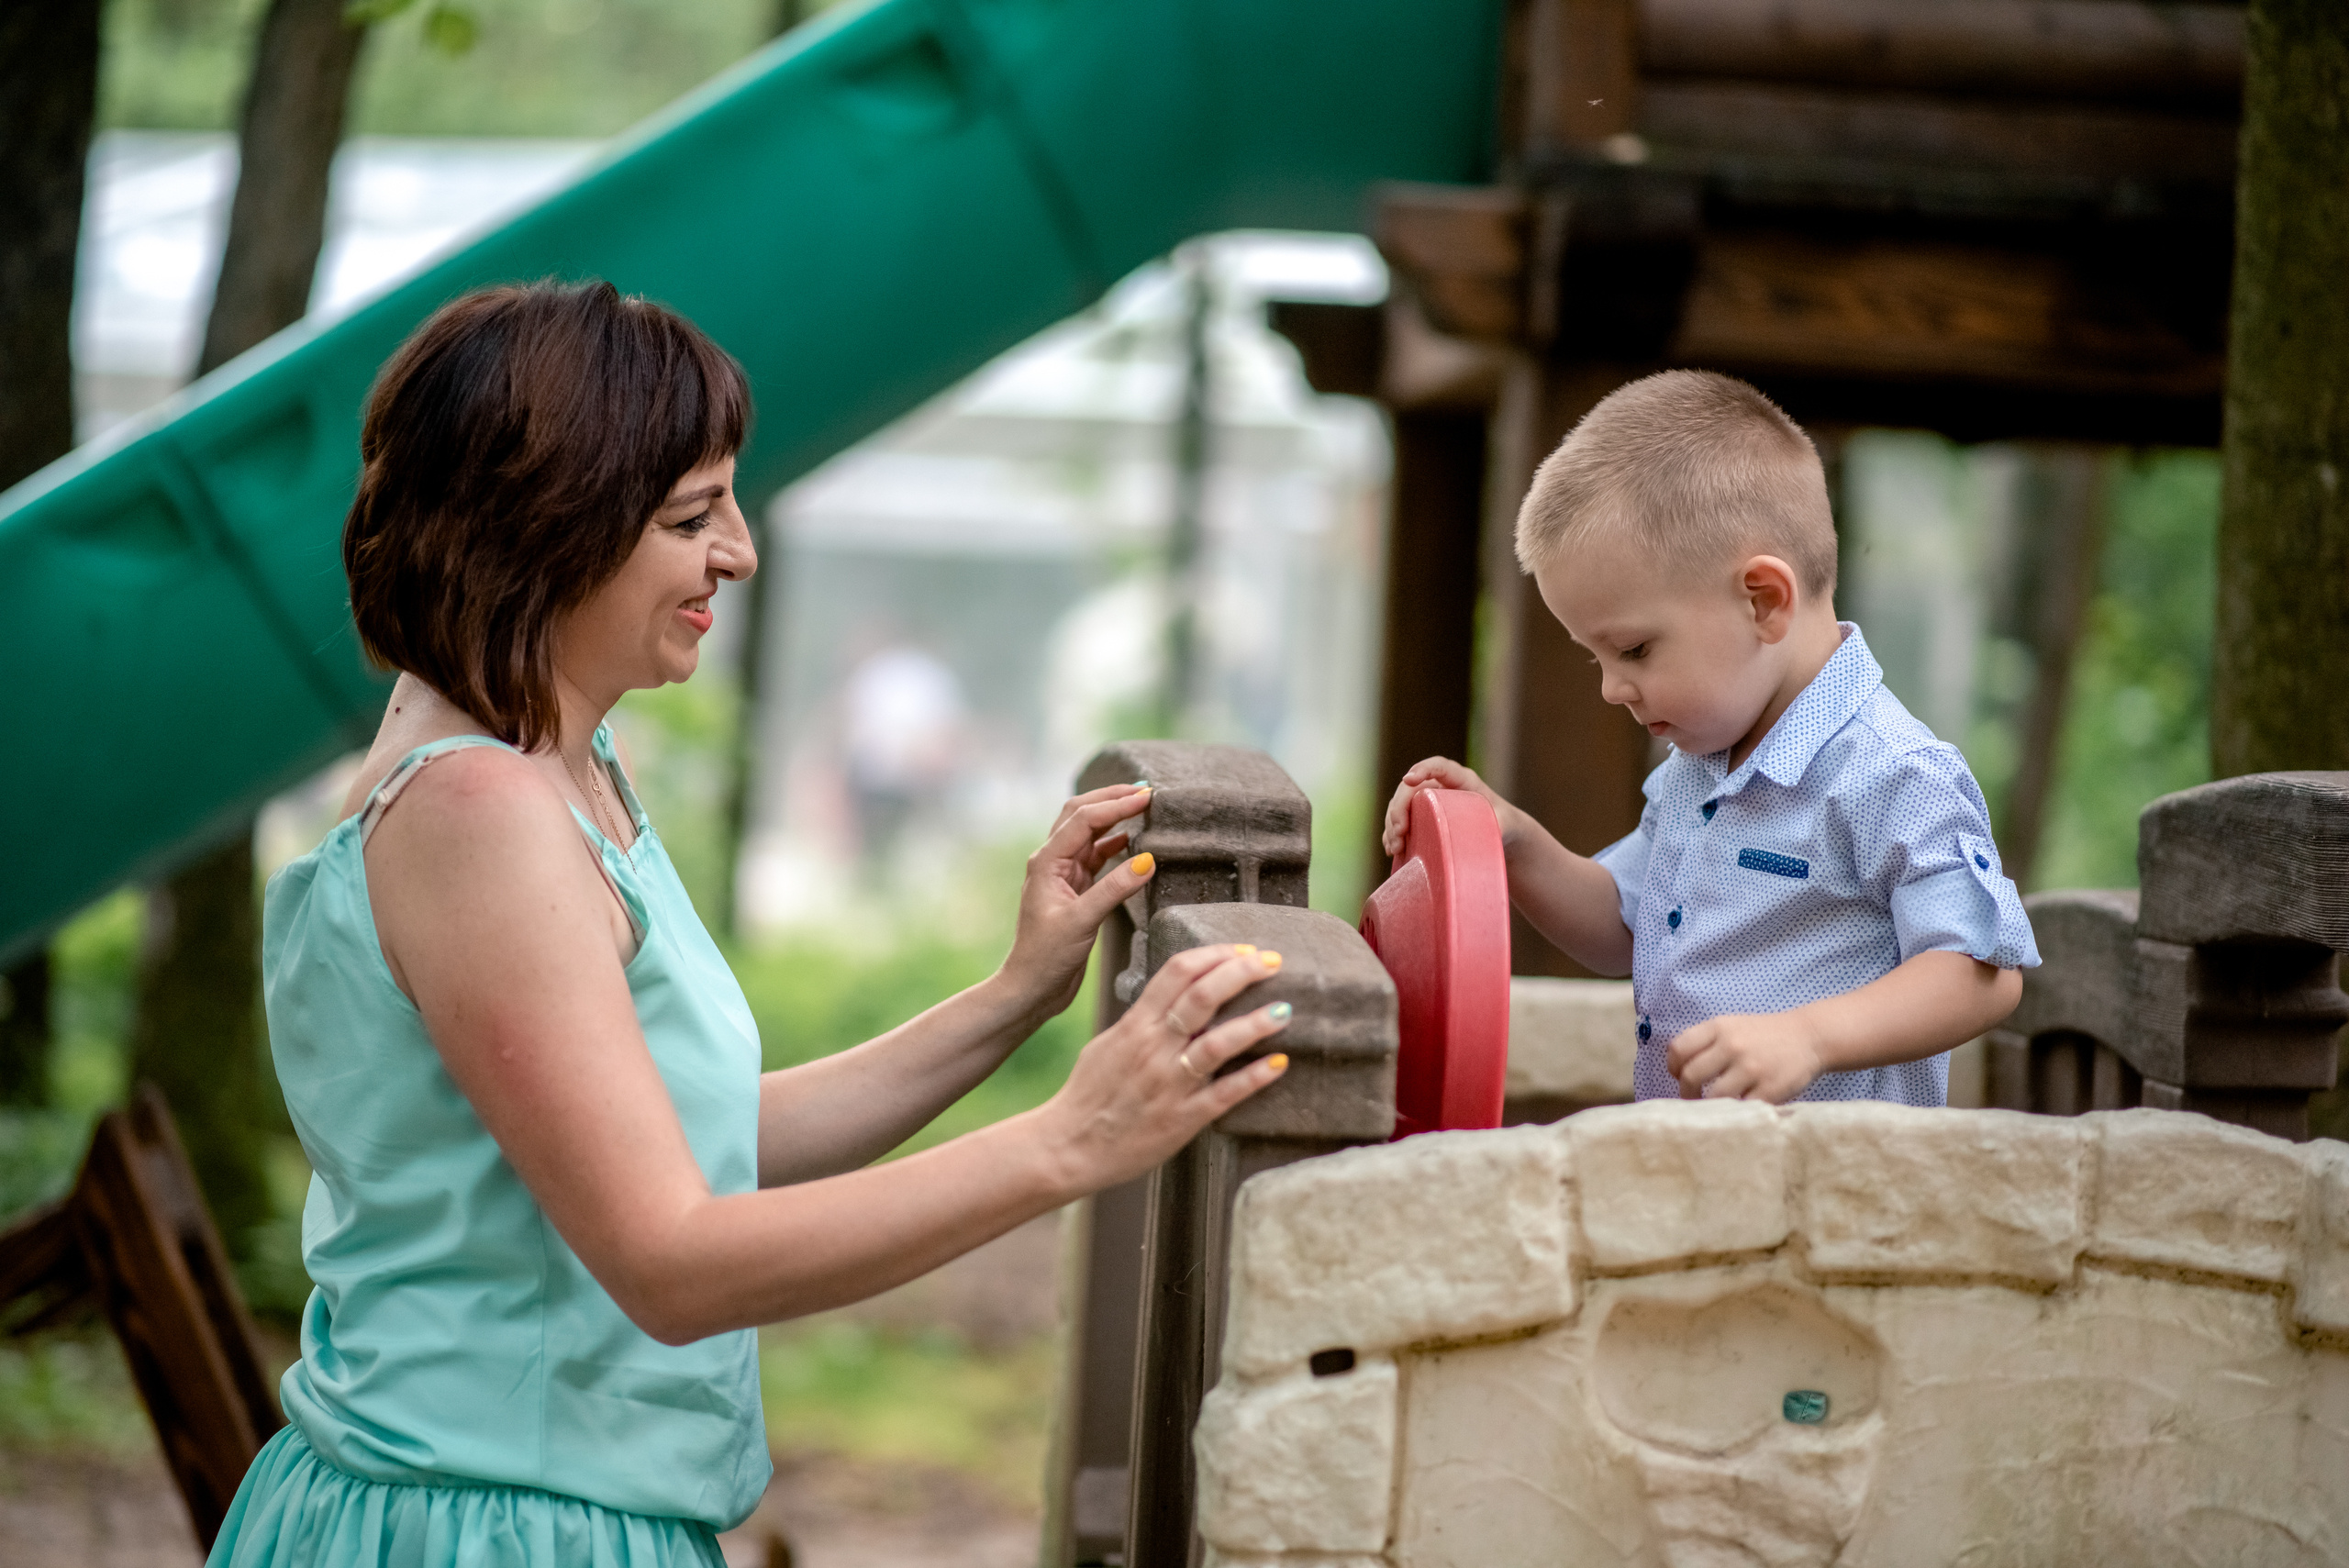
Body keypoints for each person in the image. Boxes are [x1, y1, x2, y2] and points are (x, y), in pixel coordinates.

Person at [210, 280, 1293, 1565]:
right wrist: (1067, 1143)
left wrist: (1015, 999)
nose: (740, 550)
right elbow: (670, 1257)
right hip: (488, 1529)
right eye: (690, 515)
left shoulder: (565, 765)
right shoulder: (478, 814)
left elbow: (697, 1141)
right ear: (544, 525)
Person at [1383, 370, 2038, 1106]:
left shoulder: (1892, 773)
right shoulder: (1698, 767)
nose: (1611, 688)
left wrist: (1810, 1036)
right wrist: (1517, 842)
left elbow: (1979, 971)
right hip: (1699, 1180)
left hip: (1837, 1195)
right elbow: (1625, 925)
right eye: (1593, 657)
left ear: (1762, 601)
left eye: (1633, 651)